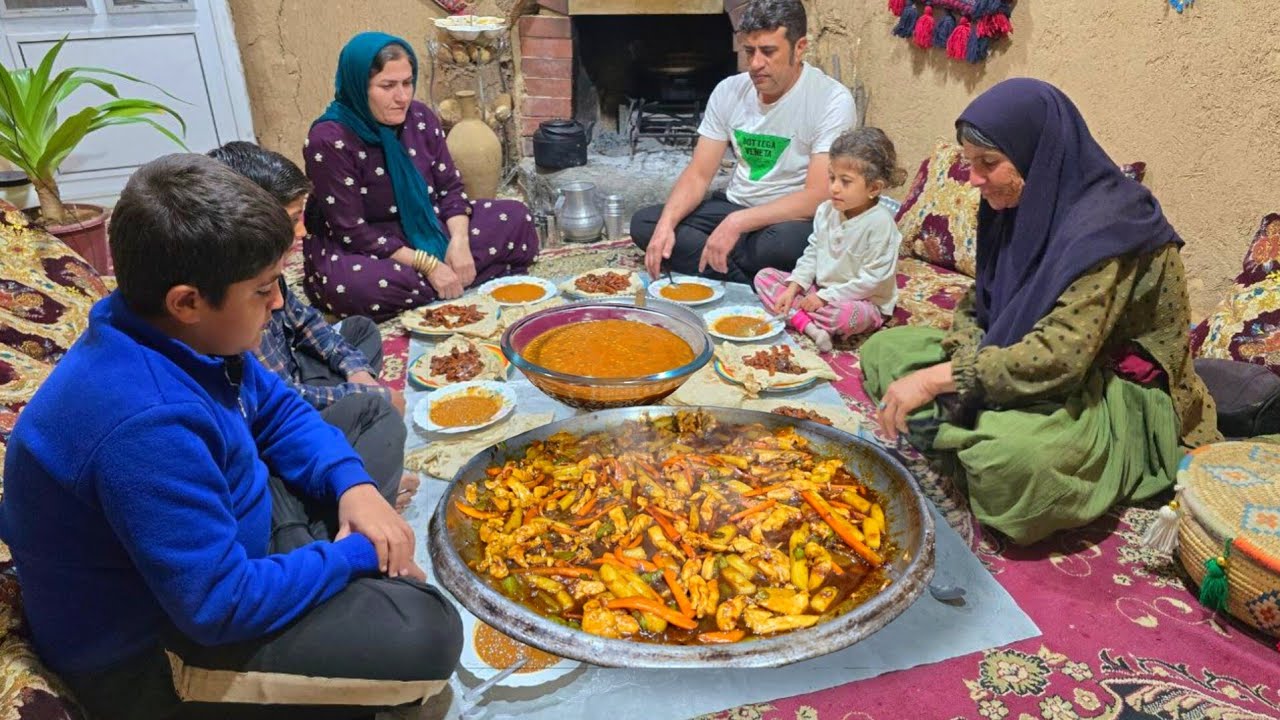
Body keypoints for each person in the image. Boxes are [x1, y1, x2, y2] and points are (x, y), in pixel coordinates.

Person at [0, 154, 462, 720]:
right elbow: (218, 607)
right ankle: (320, 583)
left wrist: (355, 490)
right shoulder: (144, 424)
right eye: (264, 289)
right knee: (429, 634)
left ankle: (311, 559)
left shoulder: (167, 328)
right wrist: (358, 554)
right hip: (162, 649)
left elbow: (277, 412)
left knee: (371, 416)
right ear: (187, 301)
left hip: (234, 533)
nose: (277, 304)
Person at [861, 78, 1220, 545]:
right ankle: (957, 436)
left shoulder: (1110, 229)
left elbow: (1058, 357)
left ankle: (958, 441)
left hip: (1109, 386)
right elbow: (981, 301)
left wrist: (938, 380)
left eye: (988, 164)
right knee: (885, 349)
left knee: (1012, 462)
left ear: (1037, 155)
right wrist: (962, 355)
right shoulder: (1016, 201)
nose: (974, 179)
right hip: (1014, 350)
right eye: (970, 164)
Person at [208, 140, 418, 515]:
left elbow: (304, 320)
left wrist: (357, 373)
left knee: (357, 331)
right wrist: (366, 397)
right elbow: (275, 400)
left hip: (292, 375)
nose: (303, 231)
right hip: (278, 410)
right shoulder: (225, 302)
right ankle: (370, 490)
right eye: (292, 220)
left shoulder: (265, 270)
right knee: (379, 414)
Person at [305, 31, 538, 320]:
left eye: (407, 83)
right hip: (374, 246)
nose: (402, 97)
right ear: (358, 87)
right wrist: (429, 266)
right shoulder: (330, 140)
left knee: (517, 218)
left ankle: (445, 280)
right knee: (353, 287)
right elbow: (352, 230)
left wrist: (459, 242)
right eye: (387, 86)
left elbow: (451, 189)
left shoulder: (420, 117)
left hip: (429, 223)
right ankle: (465, 277)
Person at [632, 0, 855, 285]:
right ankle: (752, 281)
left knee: (782, 246)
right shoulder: (729, 91)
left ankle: (722, 269)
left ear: (799, 48)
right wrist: (666, 225)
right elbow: (699, 174)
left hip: (789, 220)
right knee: (646, 224)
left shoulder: (831, 100)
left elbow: (817, 196)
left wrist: (737, 224)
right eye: (749, 51)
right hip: (735, 205)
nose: (755, 64)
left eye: (768, 51)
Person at [754, 127, 905, 352]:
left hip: (862, 300)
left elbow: (872, 280)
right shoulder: (826, 210)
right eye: (832, 177)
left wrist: (825, 297)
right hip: (820, 291)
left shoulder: (880, 224)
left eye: (845, 181)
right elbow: (813, 252)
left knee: (845, 317)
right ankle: (809, 327)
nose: (834, 187)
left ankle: (798, 318)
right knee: (764, 277)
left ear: (874, 188)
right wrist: (794, 287)